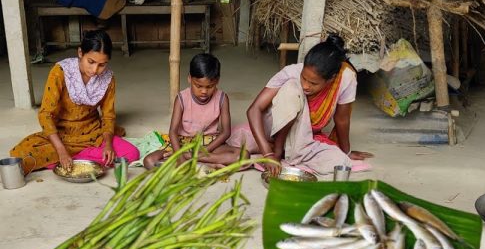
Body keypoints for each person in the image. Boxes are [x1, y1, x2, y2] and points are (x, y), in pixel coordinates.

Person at [230, 34, 373, 175]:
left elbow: (342, 119)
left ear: (330, 80)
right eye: (303, 78)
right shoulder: (291, 72)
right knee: (292, 87)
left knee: (340, 162)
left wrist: (346, 151)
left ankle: (286, 151)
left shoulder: (345, 78)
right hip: (274, 127)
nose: (305, 85)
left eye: (313, 83)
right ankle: (277, 149)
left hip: (303, 137)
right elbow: (254, 109)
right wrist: (268, 154)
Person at [10, 30, 139, 174]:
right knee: (22, 158)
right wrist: (61, 150)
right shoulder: (60, 72)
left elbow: (108, 117)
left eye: (102, 64)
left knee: (132, 154)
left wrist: (108, 144)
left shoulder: (108, 79)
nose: (95, 69)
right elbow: (45, 114)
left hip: (93, 134)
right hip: (62, 135)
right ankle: (79, 158)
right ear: (80, 53)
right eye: (91, 62)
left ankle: (72, 160)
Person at [143, 53, 241, 169]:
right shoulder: (181, 99)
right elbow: (173, 131)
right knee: (149, 161)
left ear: (217, 81)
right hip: (183, 142)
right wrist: (179, 155)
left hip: (209, 143)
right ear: (189, 78)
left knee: (242, 155)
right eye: (198, 86)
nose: (204, 91)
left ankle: (191, 159)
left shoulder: (222, 99)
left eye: (210, 86)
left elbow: (226, 132)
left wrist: (201, 152)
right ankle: (203, 163)